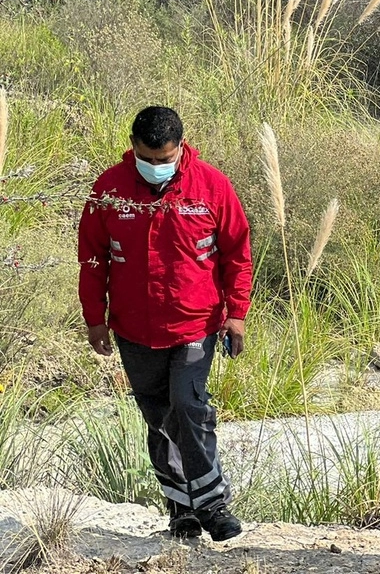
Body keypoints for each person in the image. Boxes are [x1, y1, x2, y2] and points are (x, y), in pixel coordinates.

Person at [78, 106, 252, 542]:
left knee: (189, 406)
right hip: (134, 328)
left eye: (164, 159)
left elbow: (237, 254)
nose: (156, 167)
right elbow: (92, 257)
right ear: (133, 147)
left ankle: (213, 506)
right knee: (157, 416)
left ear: (181, 146)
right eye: (147, 158)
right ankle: (181, 512)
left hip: (195, 323)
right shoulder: (109, 190)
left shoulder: (211, 186)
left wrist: (238, 315)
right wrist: (93, 318)